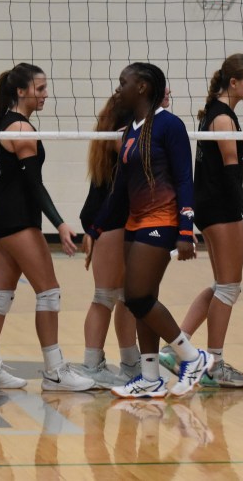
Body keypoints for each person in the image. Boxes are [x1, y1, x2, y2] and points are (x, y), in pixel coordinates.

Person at [85, 62, 211, 399]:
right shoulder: (130, 131)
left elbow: (186, 179)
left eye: (123, 82)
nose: (119, 88)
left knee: (137, 297)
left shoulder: (169, 125)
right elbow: (119, 191)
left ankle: (191, 356)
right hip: (135, 223)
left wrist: (186, 231)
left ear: (142, 87)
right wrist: (96, 228)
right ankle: (151, 376)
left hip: (163, 221)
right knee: (141, 300)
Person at [0, 63, 93, 392]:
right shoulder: (21, 130)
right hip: (17, 220)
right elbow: (34, 185)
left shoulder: (6, 123)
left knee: (0, 295)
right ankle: (55, 371)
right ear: (21, 91)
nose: (45, 94)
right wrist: (59, 224)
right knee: (49, 292)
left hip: (1, 218)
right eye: (40, 89)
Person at [159, 54, 243, 389]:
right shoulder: (223, 120)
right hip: (221, 209)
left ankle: (177, 348)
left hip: (211, 207)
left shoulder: (214, 114)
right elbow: (232, 177)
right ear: (233, 82)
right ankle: (214, 364)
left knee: (222, 286)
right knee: (230, 287)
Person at [73, 94, 139, 389]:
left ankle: (129, 362)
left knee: (126, 297)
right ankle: (92, 365)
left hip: (110, 219)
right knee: (105, 297)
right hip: (110, 221)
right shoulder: (124, 131)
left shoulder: (115, 127)